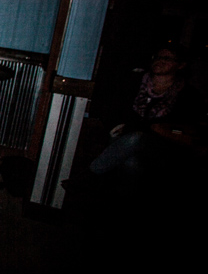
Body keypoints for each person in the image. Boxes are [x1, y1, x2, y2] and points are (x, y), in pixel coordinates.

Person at [87, 43, 203, 196]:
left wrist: (151, 130)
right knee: (131, 162)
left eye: (167, 58)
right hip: (123, 139)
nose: (160, 61)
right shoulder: (133, 82)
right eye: (158, 57)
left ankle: (91, 174)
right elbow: (111, 109)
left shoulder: (188, 95)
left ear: (180, 65)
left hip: (160, 147)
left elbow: (184, 129)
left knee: (137, 139)